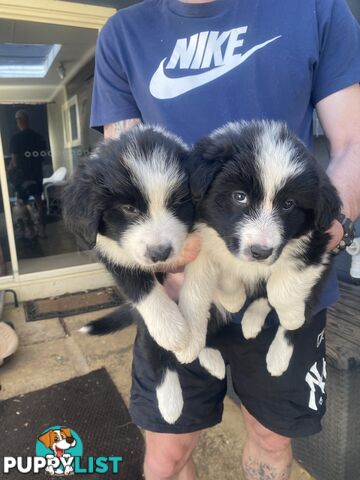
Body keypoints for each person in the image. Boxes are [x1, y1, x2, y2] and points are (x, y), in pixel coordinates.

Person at [90, 1, 360, 478]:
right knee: (169, 451)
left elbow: (354, 142)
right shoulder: (124, 32)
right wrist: (158, 274)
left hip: (281, 279)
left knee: (271, 441)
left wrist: (312, 245)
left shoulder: (316, 9)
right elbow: (121, 166)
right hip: (180, 282)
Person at [8, 110, 47, 237]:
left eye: (17, 120)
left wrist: (10, 170)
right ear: (28, 120)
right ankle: (42, 229)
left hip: (23, 176)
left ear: (19, 121)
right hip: (36, 175)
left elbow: (14, 162)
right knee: (39, 202)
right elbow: (42, 157)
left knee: (22, 203)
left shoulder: (15, 139)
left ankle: (30, 230)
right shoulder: (38, 137)